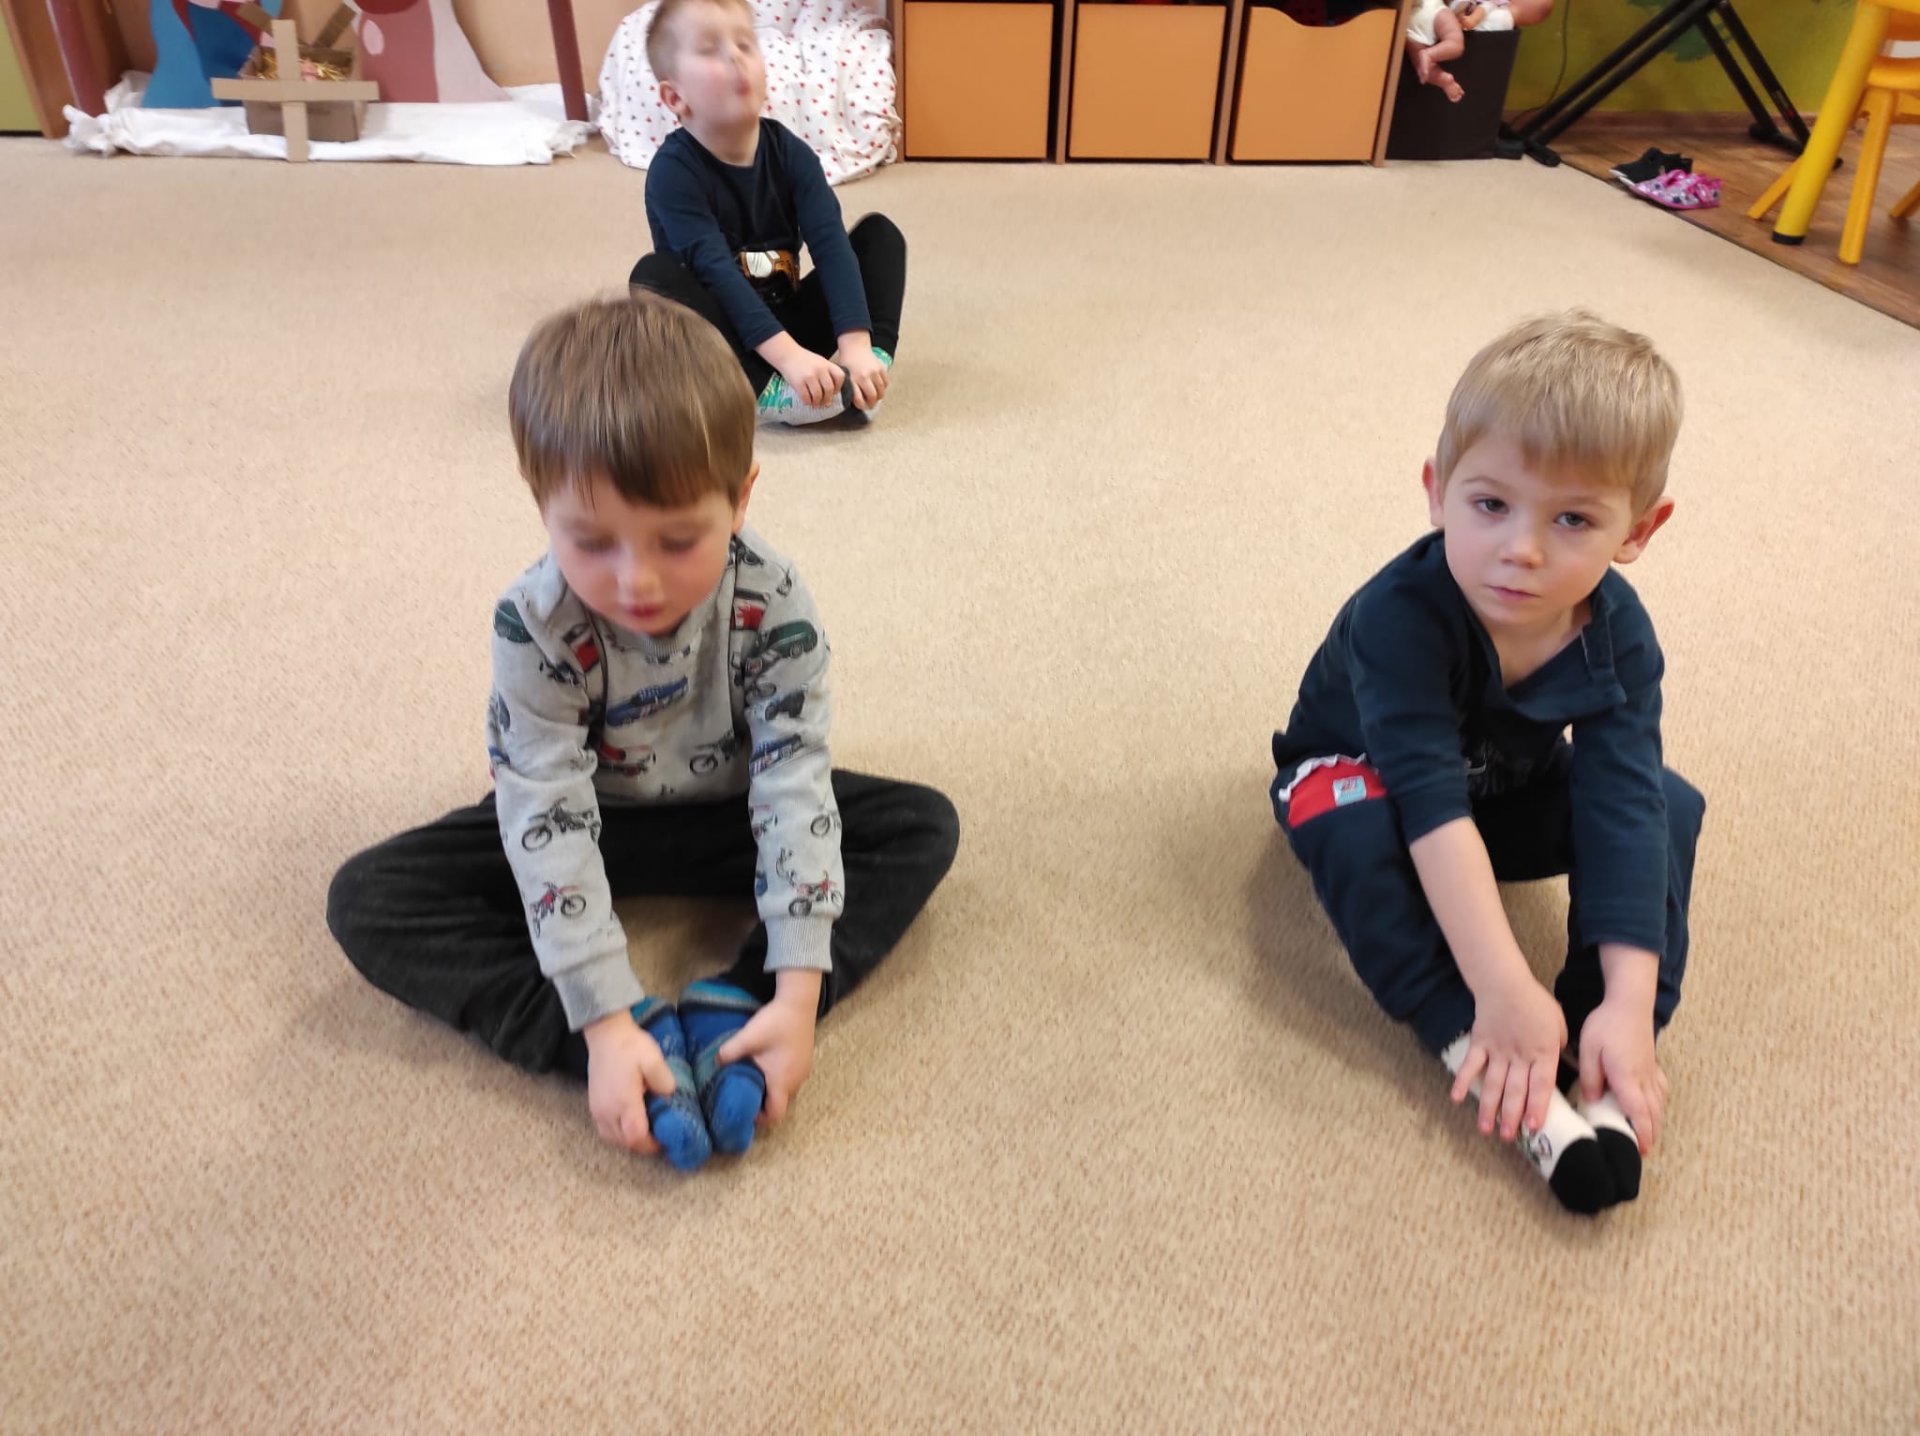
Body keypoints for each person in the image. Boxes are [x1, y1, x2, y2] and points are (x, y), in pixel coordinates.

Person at [327, 292, 959, 1170]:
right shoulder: (533, 622)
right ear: (541, 506)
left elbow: (793, 782)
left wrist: (798, 991)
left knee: (919, 826)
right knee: (369, 897)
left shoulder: (775, 599)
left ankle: (743, 1009)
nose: (637, 583)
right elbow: (545, 809)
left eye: (678, 540)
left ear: (740, 499)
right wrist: (601, 1020)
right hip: (592, 821)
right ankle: (623, 1045)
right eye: (592, 543)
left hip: (731, 811)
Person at [1268, 311, 1704, 1215]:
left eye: (1573, 519)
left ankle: (1597, 1047)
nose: (1521, 550)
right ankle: (1469, 1039)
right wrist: (1499, 988)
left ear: (1639, 530)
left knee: (1669, 801)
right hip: (1373, 784)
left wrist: (1629, 1004)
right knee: (1340, 816)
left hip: (1502, 791)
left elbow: (1624, 807)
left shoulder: (1621, 634)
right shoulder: (1399, 617)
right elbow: (1429, 809)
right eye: (1491, 505)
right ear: (1437, 491)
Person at [629, 0, 905, 426]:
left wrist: (855, 345)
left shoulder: (793, 155)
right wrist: (790, 359)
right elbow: (715, 273)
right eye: (710, 49)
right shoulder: (673, 172)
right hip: (719, 339)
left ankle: (867, 375)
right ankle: (763, 389)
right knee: (652, 276)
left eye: (746, 44)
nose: (735, 57)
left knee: (880, 236)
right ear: (675, 97)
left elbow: (831, 247)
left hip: (787, 319)